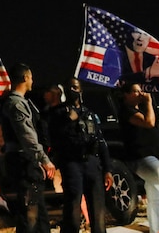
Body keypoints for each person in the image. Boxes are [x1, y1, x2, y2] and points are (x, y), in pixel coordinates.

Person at [46, 78, 113, 233]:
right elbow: (55, 140)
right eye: (69, 87)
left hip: (92, 164)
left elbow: (101, 141)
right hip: (71, 164)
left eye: (75, 87)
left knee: (97, 210)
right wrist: (68, 121)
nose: (72, 90)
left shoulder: (89, 114)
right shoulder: (58, 114)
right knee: (72, 208)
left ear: (81, 91)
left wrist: (107, 169)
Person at [0, 63, 56, 233]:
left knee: (39, 214)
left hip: (27, 160)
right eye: (31, 77)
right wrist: (44, 160)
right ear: (25, 78)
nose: (33, 80)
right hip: (23, 161)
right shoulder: (16, 104)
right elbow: (27, 136)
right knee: (30, 213)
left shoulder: (22, 102)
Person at [119, 83, 159, 233]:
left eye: (140, 91)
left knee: (155, 194)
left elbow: (154, 136)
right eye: (136, 91)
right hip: (141, 158)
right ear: (126, 95)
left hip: (151, 157)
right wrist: (149, 102)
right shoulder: (126, 111)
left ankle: (156, 229)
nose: (140, 94)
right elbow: (149, 123)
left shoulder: (141, 110)